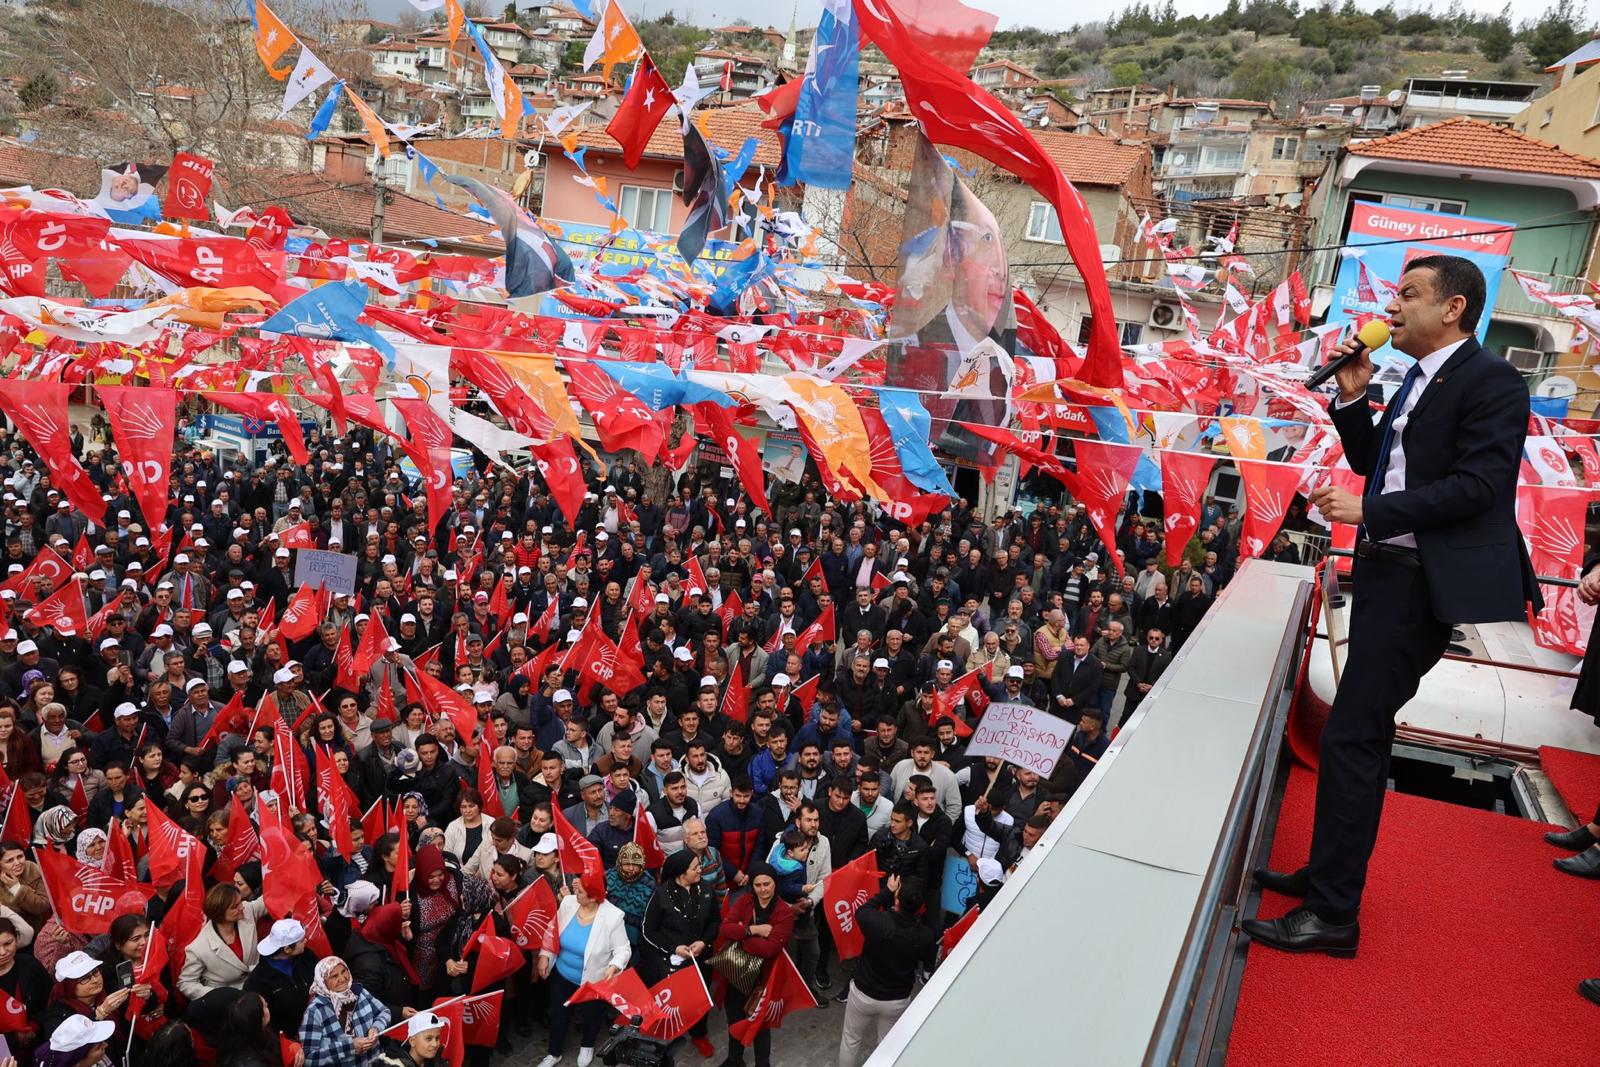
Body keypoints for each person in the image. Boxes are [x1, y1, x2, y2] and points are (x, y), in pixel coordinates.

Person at [1246, 255, 1540, 958]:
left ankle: (1334, 914)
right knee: (1356, 732)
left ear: (1454, 310)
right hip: (1383, 574)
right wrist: (1352, 400)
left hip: (1417, 585)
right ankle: (1327, 875)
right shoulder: (1414, 376)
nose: (1393, 305)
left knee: (1354, 737)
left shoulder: (1493, 381)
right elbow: (1376, 459)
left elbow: (1479, 486)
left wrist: (1369, 509)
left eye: (1410, 293)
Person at [836, 874, 937, 1067]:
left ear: (897, 899)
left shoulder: (877, 922)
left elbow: (862, 910)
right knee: (887, 1047)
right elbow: (929, 966)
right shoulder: (925, 935)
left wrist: (887, 891)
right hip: (896, 999)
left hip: (863, 993)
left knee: (851, 1039)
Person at [535, 867, 631, 1067]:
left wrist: (614, 966)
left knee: (592, 1015)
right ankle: (554, 1053)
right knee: (559, 1015)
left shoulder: (613, 917)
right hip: (562, 974)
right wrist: (545, 955)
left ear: (594, 897)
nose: (574, 893)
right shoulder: (569, 904)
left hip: (593, 980)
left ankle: (587, 1046)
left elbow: (623, 950)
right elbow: (553, 931)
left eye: (580, 892)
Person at [640, 849, 720, 1058]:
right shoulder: (661, 894)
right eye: (695, 867)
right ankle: (669, 1032)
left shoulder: (706, 888)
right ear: (680, 873)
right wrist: (673, 948)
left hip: (700, 958)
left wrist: (703, 941)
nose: (700, 870)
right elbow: (648, 930)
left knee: (700, 998)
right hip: (672, 961)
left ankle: (699, 1034)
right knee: (673, 1002)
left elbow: (715, 921)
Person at [716, 862, 795, 1067]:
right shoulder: (744, 901)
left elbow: (770, 949)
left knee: (761, 1024)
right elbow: (725, 929)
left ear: (775, 884)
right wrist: (755, 931)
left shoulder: (784, 912)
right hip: (737, 973)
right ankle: (735, 1059)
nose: (762, 889)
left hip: (764, 979)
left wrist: (741, 935)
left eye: (767, 884)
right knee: (734, 1019)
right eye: (757, 885)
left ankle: (762, 1063)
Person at [178, 882, 271, 999]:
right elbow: (185, 982)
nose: (241, 907)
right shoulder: (199, 948)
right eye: (235, 906)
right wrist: (218, 995)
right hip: (231, 1003)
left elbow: (269, 899)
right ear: (220, 912)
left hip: (260, 987)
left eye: (240, 901)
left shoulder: (247, 911)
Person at [297, 956, 392, 1067]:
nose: (342, 979)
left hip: (376, 1063)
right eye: (334, 976)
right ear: (323, 981)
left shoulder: (359, 992)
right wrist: (349, 1048)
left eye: (344, 971)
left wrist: (376, 1028)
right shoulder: (315, 1010)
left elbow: (384, 1011)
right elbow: (309, 1059)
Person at [374, 1009, 450, 1067]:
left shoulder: (437, 1062)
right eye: (428, 1039)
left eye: (437, 1038)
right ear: (412, 1041)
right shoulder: (391, 1064)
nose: (435, 1044)